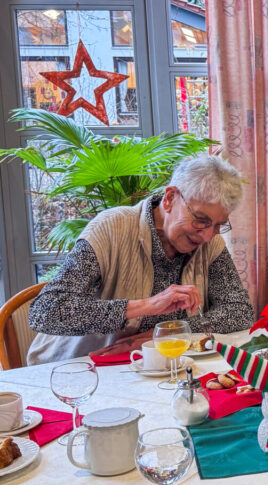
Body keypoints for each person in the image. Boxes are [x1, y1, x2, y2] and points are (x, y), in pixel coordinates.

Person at [27, 154, 255, 364]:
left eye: (218, 225)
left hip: (157, 367)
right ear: (170, 198)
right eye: (200, 220)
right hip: (81, 369)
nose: (206, 236)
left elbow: (239, 311)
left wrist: (166, 334)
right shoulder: (110, 228)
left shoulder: (211, 243)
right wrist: (147, 305)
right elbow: (45, 312)